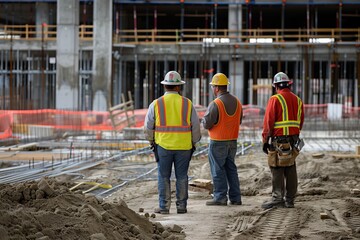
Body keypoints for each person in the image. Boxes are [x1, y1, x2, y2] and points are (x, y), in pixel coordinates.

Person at [144, 70, 201, 214]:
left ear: (165, 86)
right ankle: (181, 206)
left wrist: (151, 141)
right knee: (182, 176)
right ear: (178, 87)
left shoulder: (156, 104)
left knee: (164, 176)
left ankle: (164, 207)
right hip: (184, 147)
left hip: (163, 146)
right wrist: (194, 142)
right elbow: (195, 127)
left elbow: (148, 126)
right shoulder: (188, 104)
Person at [261, 72, 305, 209]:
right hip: (293, 139)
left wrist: (265, 140)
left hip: (279, 139)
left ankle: (277, 198)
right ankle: (290, 199)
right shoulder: (298, 100)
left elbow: (269, 122)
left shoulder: (275, 99)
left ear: (275, 86)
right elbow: (300, 121)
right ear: (288, 84)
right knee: (290, 166)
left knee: (276, 167)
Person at [201, 73, 243, 206]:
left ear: (217, 88)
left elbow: (207, 124)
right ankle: (236, 198)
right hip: (232, 141)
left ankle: (220, 197)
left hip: (218, 142)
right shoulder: (237, 102)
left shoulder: (216, 104)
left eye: (213, 86)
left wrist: (202, 120)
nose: (213, 89)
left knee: (218, 169)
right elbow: (239, 121)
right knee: (231, 169)